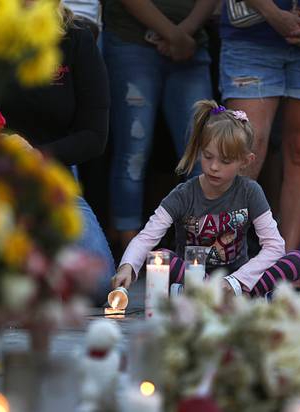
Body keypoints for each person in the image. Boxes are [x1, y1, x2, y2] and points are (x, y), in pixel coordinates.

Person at [111, 100, 300, 297]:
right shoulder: (184, 194)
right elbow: (147, 237)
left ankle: (225, 297)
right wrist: (127, 266)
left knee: (296, 260)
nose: (214, 166)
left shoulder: (250, 191)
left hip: (237, 279)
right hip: (194, 277)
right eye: (208, 156)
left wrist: (235, 281)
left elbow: (274, 245)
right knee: (163, 258)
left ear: (245, 161)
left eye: (225, 161)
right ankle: (229, 298)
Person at [0, 4, 115, 304]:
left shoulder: (76, 40)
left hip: (53, 174)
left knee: (99, 283)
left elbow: (94, 136)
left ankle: (36, 274)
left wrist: (36, 155)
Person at [219, 0, 300, 251]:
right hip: (252, 36)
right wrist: (272, 13)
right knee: (245, 144)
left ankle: (285, 258)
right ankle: (223, 252)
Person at [103, 0, 218, 256]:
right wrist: (177, 35)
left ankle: (203, 256)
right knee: (133, 152)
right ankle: (129, 259)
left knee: (204, 153)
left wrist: (183, 34)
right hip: (131, 39)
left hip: (192, 43)